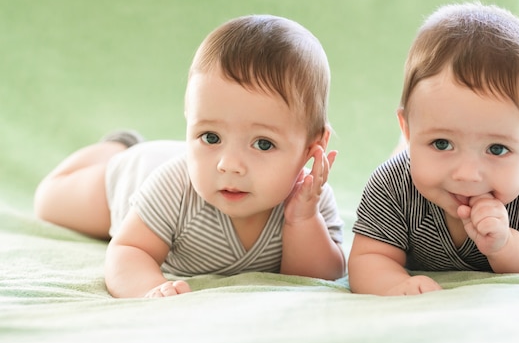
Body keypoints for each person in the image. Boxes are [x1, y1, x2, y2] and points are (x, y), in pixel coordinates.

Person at [34, 15, 346, 298]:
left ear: (311, 148)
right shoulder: (172, 189)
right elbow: (129, 249)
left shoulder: (309, 200)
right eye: (210, 137)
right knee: (49, 200)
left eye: (263, 144)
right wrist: (149, 289)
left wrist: (302, 220)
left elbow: (319, 277)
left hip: (177, 171)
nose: (229, 165)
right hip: (135, 174)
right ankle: (115, 147)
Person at [348, 2, 519, 296]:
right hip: (423, 163)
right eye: (442, 143)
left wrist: (506, 245)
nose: (468, 175)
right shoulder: (393, 185)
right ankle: (421, 145)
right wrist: (395, 284)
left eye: (496, 148)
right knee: (410, 166)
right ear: (407, 127)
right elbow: (369, 257)